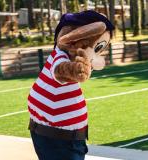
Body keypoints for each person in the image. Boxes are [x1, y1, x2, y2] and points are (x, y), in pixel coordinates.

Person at [27, 10, 114, 160]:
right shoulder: (61, 56)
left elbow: (96, 62)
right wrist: (77, 70)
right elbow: (61, 71)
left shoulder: (62, 55)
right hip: (62, 141)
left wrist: (89, 59)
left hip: (51, 134)